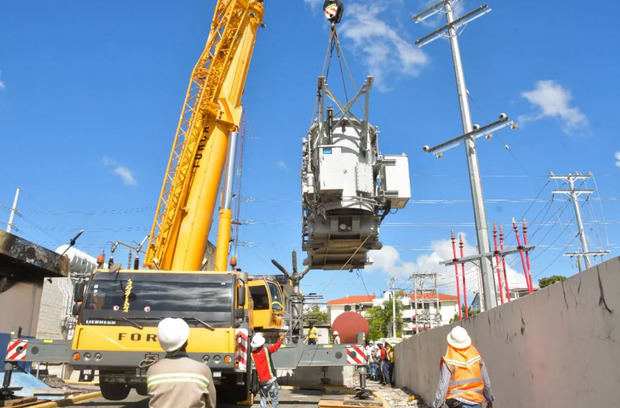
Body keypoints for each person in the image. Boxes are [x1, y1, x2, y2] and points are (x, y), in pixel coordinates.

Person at [147, 318, 216, 408]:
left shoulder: (152, 370)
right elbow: (211, 404)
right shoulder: (202, 370)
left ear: (161, 343)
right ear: (186, 343)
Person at [433, 326, 495, 408]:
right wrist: (490, 400)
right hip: (476, 402)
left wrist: (438, 404)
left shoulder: (449, 361)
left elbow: (443, 385)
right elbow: (486, 382)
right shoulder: (477, 358)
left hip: (456, 402)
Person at [251, 333, 285, 408]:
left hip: (262, 382)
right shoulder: (266, 350)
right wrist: (281, 340)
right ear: (262, 343)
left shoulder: (252, 355)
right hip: (271, 380)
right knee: (274, 399)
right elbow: (275, 347)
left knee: (263, 398)